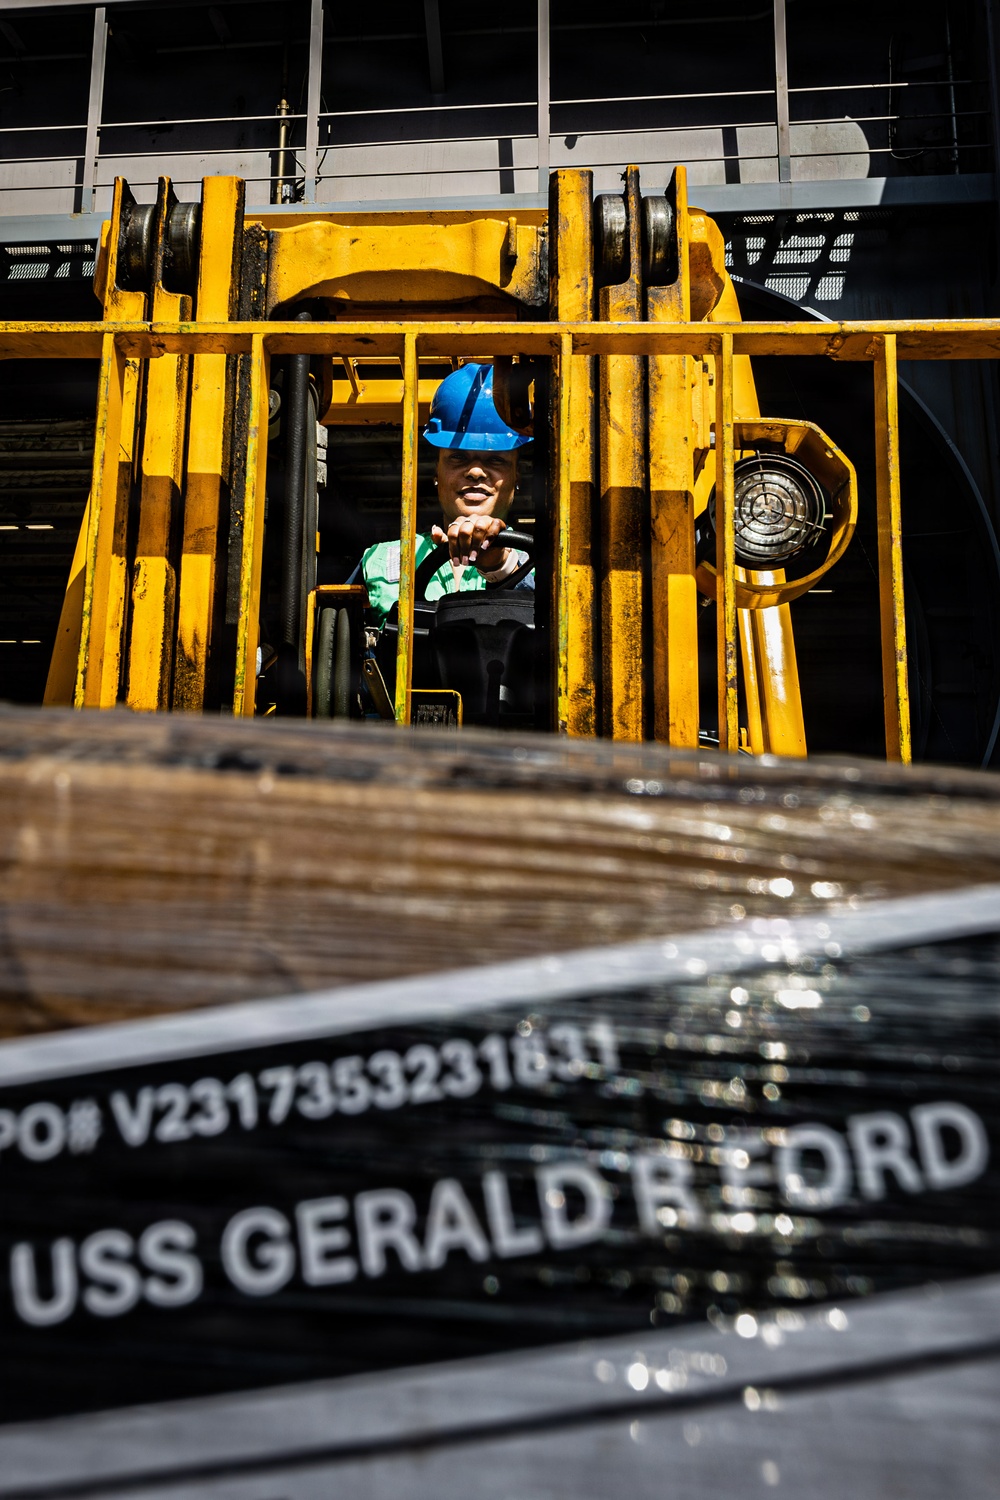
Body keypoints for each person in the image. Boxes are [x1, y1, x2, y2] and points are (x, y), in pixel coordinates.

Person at [361, 363, 533, 623]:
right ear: (437, 473)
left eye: (496, 459)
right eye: (458, 457)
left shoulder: (547, 566)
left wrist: (501, 566)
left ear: (516, 477)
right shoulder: (380, 559)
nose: (476, 471)